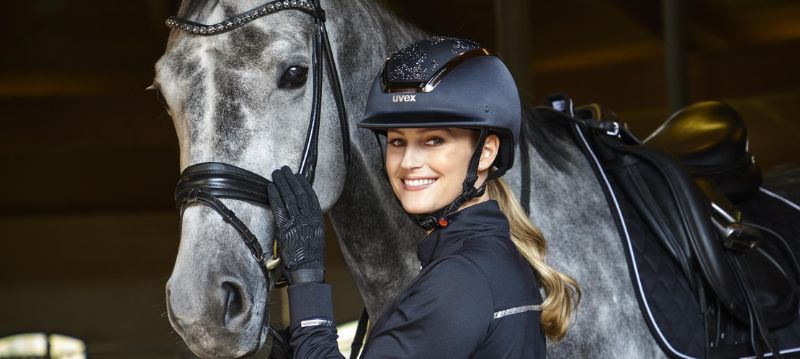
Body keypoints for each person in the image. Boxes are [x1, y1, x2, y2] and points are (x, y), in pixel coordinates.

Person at [266, 37, 580, 359]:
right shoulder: (490, 260)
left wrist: (306, 276)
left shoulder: (461, 280)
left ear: (485, 153)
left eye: (433, 140)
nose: (408, 162)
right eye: (398, 141)